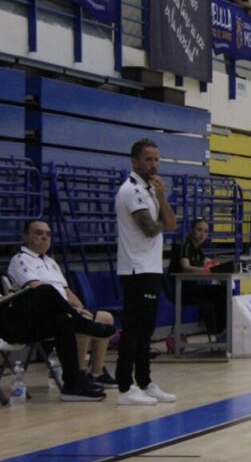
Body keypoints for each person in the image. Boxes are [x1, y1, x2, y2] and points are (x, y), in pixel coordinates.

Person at [8, 219, 117, 390]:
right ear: (26, 237)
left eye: (48, 234)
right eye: (38, 233)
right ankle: (80, 373)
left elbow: (67, 291)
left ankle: (97, 373)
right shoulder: (21, 259)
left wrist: (81, 309)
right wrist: (74, 312)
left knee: (106, 317)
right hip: (39, 316)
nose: (45, 237)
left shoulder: (51, 262)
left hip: (65, 311)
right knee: (71, 318)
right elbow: (38, 291)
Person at [114, 139, 178, 406]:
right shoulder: (131, 191)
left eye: (156, 160)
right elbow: (150, 230)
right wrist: (162, 202)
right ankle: (125, 386)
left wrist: (161, 199)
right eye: (148, 159)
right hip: (136, 268)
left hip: (151, 267)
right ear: (135, 161)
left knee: (146, 329)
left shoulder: (150, 190)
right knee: (134, 328)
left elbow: (171, 225)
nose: (153, 165)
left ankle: (144, 381)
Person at [0, 284, 112, 401]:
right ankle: (85, 325)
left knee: (64, 321)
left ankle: (72, 386)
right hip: (4, 328)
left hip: (13, 321)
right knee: (46, 290)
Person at [170, 218, 227, 337]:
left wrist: (221, 266)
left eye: (206, 231)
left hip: (192, 287)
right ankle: (216, 332)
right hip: (180, 289)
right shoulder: (185, 246)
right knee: (208, 297)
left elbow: (209, 262)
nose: (203, 234)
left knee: (222, 291)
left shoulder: (197, 250)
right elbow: (185, 267)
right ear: (191, 231)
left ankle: (223, 331)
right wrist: (207, 270)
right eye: (199, 230)